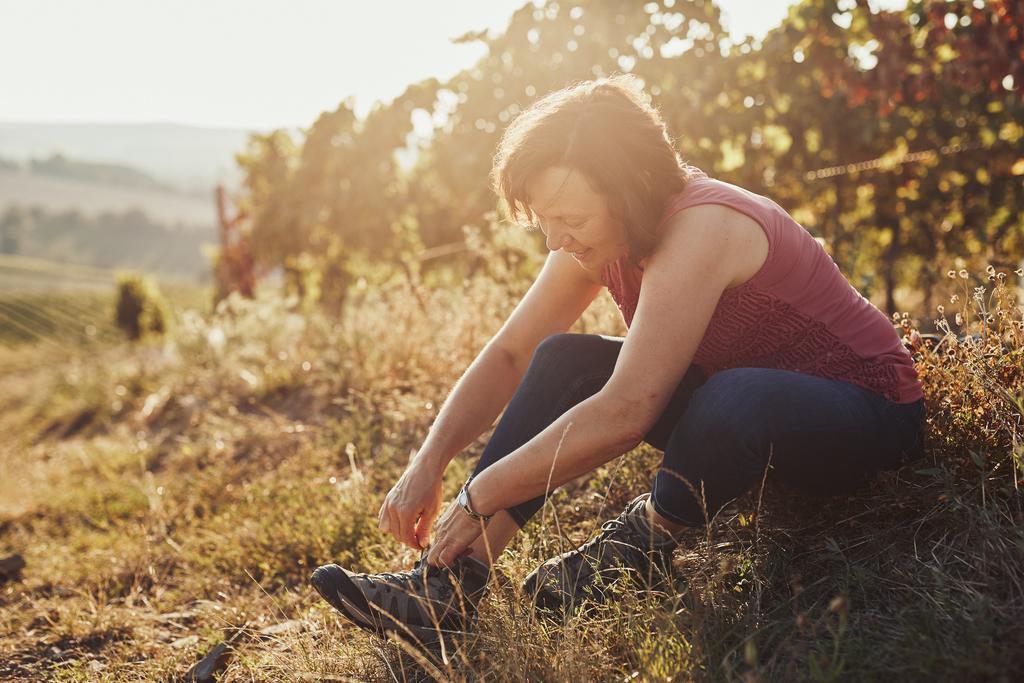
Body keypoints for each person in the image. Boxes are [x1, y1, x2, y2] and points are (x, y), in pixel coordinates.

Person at [310, 75, 926, 646]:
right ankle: (450, 584)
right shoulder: (610, 235)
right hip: (739, 424)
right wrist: (431, 459)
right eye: (545, 221)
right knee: (563, 359)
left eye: (570, 218)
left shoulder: (705, 226)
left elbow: (631, 409)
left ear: (629, 193)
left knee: (732, 394)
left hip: (866, 416)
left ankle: (643, 542)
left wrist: (477, 494)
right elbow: (511, 353)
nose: (557, 239)